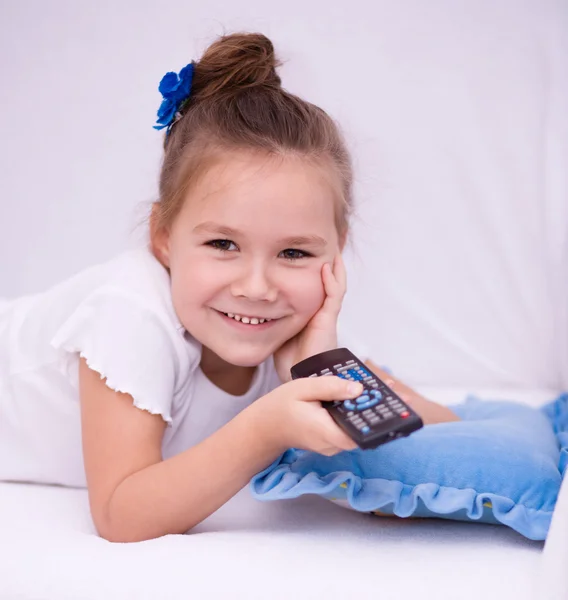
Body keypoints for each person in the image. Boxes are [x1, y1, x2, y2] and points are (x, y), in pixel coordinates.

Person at [0, 32, 458, 543]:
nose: (258, 288)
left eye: (294, 253)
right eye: (222, 244)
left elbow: (442, 424)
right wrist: (265, 429)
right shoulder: (129, 313)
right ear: (164, 238)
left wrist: (319, 368)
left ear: (336, 252)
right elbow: (119, 515)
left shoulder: (295, 330)